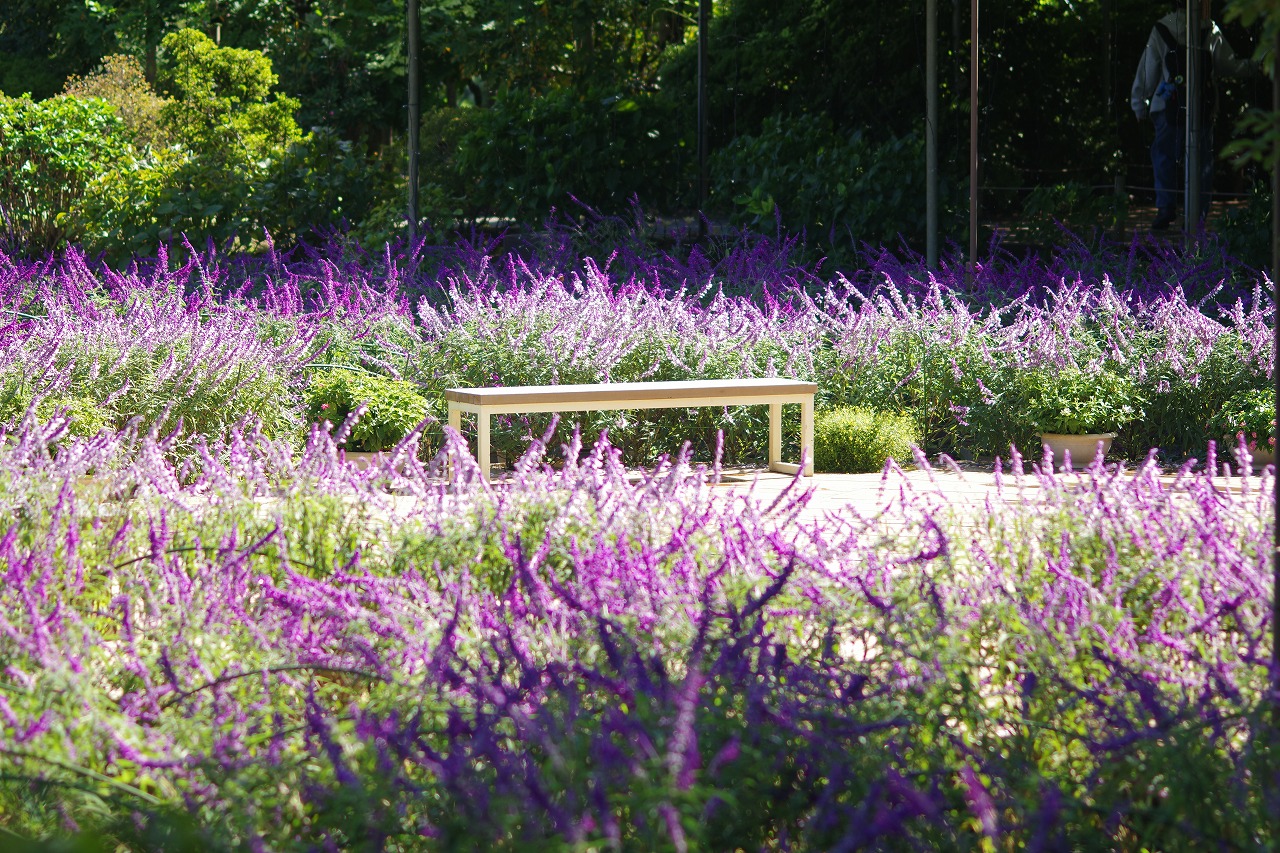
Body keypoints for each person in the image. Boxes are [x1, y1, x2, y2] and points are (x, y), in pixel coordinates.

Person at [1130, 2, 1257, 231]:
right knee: (1201, 162)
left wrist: (1138, 103)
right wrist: (1257, 65)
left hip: (1167, 106)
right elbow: (1228, 66)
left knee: (1164, 157)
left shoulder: (1161, 28)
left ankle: (1166, 208)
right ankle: (1197, 217)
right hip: (1202, 107)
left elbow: (1148, 70)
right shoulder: (1209, 29)